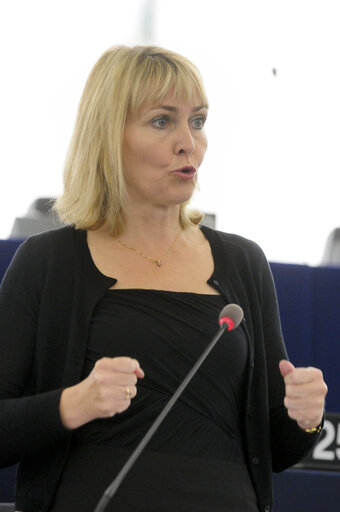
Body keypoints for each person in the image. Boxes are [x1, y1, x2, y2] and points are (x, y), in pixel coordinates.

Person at [0, 45, 327, 512]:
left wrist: (306, 418)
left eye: (197, 121)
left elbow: (277, 448)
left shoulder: (243, 262)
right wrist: (72, 404)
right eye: (162, 121)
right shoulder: (50, 261)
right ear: (109, 136)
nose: (188, 142)